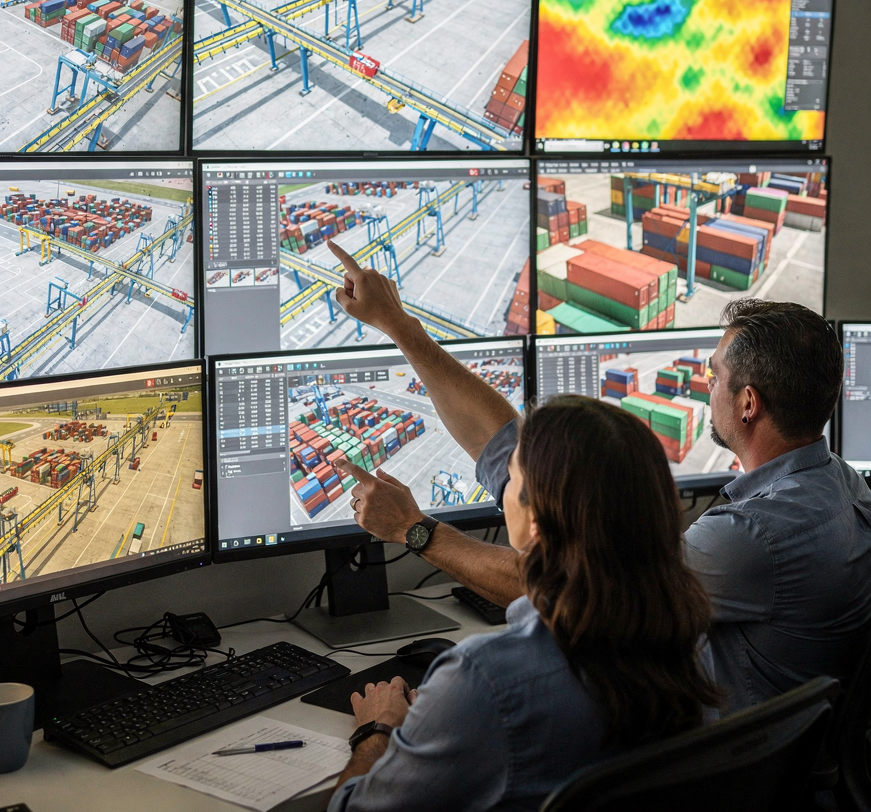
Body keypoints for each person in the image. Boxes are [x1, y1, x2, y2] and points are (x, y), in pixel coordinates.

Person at [326, 239, 871, 712]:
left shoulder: (750, 540)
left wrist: (415, 530)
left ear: (748, 403)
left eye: (715, 377)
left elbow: (570, 590)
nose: (707, 389)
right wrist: (400, 327)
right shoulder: (841, 485)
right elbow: (509, 451)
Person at [327, 394, 721, 812]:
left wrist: (378, 728)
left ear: (534, 520)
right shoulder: (694, 648)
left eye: (510, 479)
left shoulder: (483, 678)